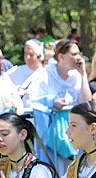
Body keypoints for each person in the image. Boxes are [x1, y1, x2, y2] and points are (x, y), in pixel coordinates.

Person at [25, 38, 92, 168]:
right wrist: (52, 102)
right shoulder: (45, 73)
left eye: (79, 53)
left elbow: (87, 102)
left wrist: (83, 75)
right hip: (51, 136)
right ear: (61, 56)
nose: (79, 58)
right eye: (74, 54)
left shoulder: (76, 76)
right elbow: (32, 101)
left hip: (74, 134)